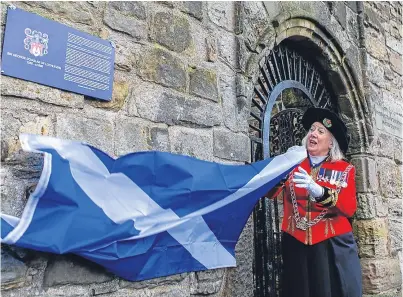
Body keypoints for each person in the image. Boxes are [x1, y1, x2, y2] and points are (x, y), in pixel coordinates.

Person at [266, 107, 362, 297]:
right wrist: (282, 165)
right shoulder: (293, 164)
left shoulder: (344, 169)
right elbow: (270, 193)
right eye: (312, 129)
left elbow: (349, 208)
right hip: (296, 241)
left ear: (330, 142)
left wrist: (319, 191)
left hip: (330, 244)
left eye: (321, 131)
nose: (313, 134)